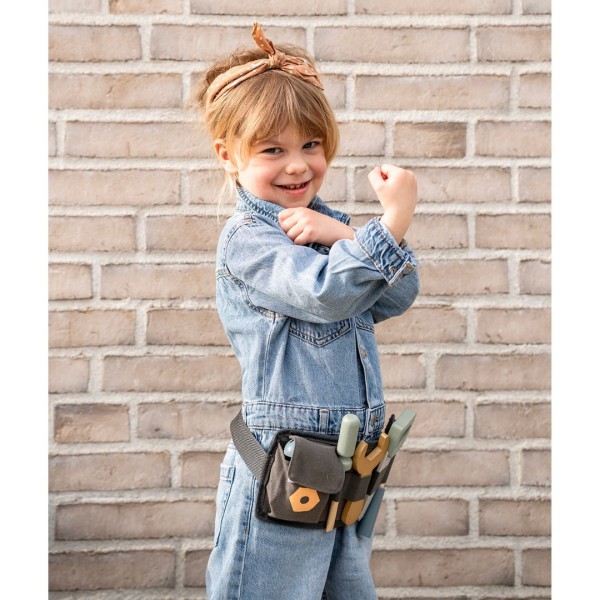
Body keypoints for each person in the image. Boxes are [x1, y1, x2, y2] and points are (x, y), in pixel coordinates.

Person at [189, 22, 419, 600]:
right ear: (229, 156)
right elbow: (326, 294)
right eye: (274, 149)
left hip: (347, 476)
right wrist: (389, 224)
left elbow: (397, 294)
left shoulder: (322, 227)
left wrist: (346, 232)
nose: (297, 165)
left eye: (310, 145)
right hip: (283, 475)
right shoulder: (249, 240)